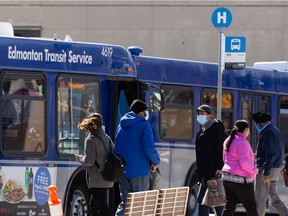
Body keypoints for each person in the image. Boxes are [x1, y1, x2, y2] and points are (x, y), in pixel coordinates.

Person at [114, 99, 160, 216]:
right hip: (139, 171)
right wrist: (155, 162)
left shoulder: (121, 126)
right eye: (145, 111)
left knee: (126, 203)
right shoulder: (144, 126)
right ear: (140, 112)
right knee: (141, 204)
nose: (146, 114)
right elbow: (149, 148)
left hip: (123, 171)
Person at [74, 113, 113, 216]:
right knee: (93, 205)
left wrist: (79, 158)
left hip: (97, 179)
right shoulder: (107, 138)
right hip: (107, 177)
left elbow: (89, 161)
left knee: (102, 207)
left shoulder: (90, 140)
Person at [252, 112, 288, 216]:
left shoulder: (266, 132)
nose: (255, 126)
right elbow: (281, 151)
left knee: (260, 199)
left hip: (266, 169)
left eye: (256, 124)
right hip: (276, 168)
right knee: (274, 198)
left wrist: (266, 172)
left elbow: (270, 152)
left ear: (260, 123)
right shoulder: (277, 131)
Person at [222, 120, 258, 216]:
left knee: (229, 206)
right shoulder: (243, 142)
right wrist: (254, 171)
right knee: (251, 207)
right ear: (246, 129)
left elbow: (225, 159)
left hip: (227, 177)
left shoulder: (228, 140)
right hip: (241, 180)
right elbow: (245, 163)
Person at [195, 104, 226, 216]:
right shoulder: (203, 130)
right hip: (205, 172)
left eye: (202, 113)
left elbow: (219, 148)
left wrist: (219, 167)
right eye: (198, 114)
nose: (199, 116)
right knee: (203, 200)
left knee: (216, 201)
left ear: (209, 116)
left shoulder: (215, 128)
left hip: (213, 172)